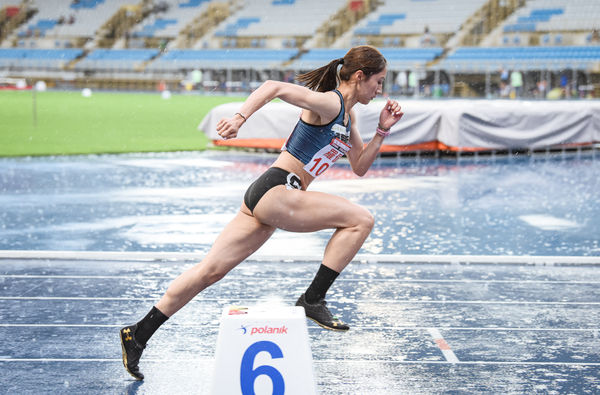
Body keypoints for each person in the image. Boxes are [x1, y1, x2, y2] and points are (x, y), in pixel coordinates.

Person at [119, 45, 404, 380]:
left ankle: (138, 334)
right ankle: (313, 299)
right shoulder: (331, 102)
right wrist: (240, 118)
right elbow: (274, 87)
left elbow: (359, 166)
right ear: (360, 76)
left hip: (268, 195)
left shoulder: (348, 116)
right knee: (361, 219)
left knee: (209, 272)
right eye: (379, 81)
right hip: (279, 189)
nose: (380, 90)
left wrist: (382, 130)